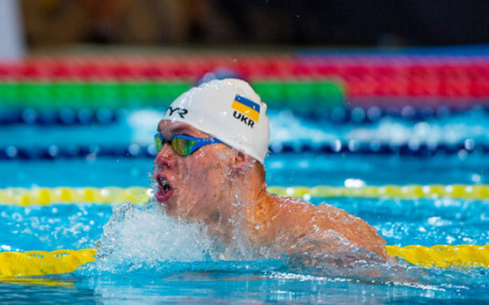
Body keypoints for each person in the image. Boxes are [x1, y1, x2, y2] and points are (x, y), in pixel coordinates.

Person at [153, 78, 392, 263]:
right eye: (161, 142)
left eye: (182, 143)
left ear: (238, 158)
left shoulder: (317, 240)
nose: (161, 157)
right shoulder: (171, 239)